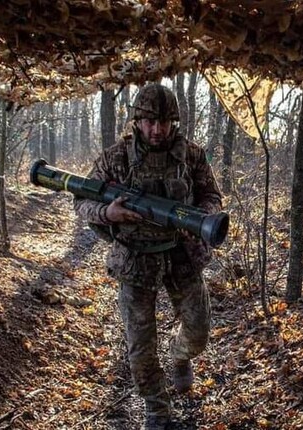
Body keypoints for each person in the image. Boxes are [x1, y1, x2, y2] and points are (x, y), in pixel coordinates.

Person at [74, 83, 223, 429]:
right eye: (149, 122)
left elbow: (212, 196)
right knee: (141, 347)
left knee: (198, 330)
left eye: (164, 123)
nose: (157, 130)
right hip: (135, 258)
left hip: (181, 254)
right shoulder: (115, 158)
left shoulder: (193, 156)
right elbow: (81, 201)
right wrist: (108, 214)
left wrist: (196, 218)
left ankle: (180, 355)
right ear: (137, 121)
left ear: (174, 122)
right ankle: (157, 412)